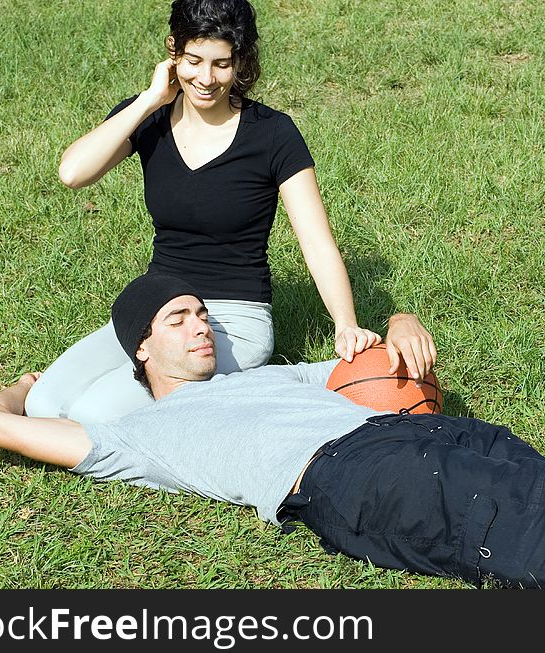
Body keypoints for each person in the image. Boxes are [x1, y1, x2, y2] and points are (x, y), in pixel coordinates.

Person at [0, 273, 545, 589]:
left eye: (202, 313)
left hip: (430, 439)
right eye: (178, 318)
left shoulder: (269, 374)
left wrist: (399, 316)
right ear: (140, 347)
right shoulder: (139, 435)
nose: (201, 326)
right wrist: (32, 384)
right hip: (351, 479)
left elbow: (367, 356)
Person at [25, 0, 386, 424]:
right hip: (158, 308)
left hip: (234, 317)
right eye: (193, 61)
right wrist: (148, 101)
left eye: (222, 64)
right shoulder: (151, 119)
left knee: (93, 415)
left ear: (240, 62)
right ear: (173, 51)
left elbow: (316, 242)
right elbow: (72, 173)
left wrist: (345, 323)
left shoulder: (273, 134)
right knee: (44, 406)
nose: (206, 78)